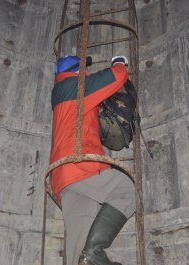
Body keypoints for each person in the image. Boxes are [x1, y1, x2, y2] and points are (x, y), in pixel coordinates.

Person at [50, 55, 135, 265]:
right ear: (75, 71)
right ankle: (95, 253)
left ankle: (87, 256)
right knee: (127, 191)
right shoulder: (76, 87)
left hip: (62, 178)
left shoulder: (60, 94)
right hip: (80, 166)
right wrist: (118, 62)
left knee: (77, 245)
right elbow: (117, 76)